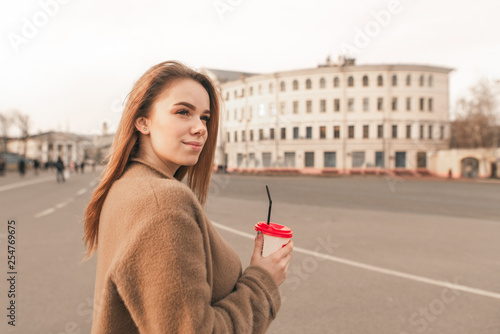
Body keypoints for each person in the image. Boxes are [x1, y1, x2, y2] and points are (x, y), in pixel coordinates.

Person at [82, 61, 293, 334]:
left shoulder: (128, 186)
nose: (201, 128)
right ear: (143, 122)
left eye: (204, 117)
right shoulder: (162, 203)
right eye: (183, 112)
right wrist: (263, 281)